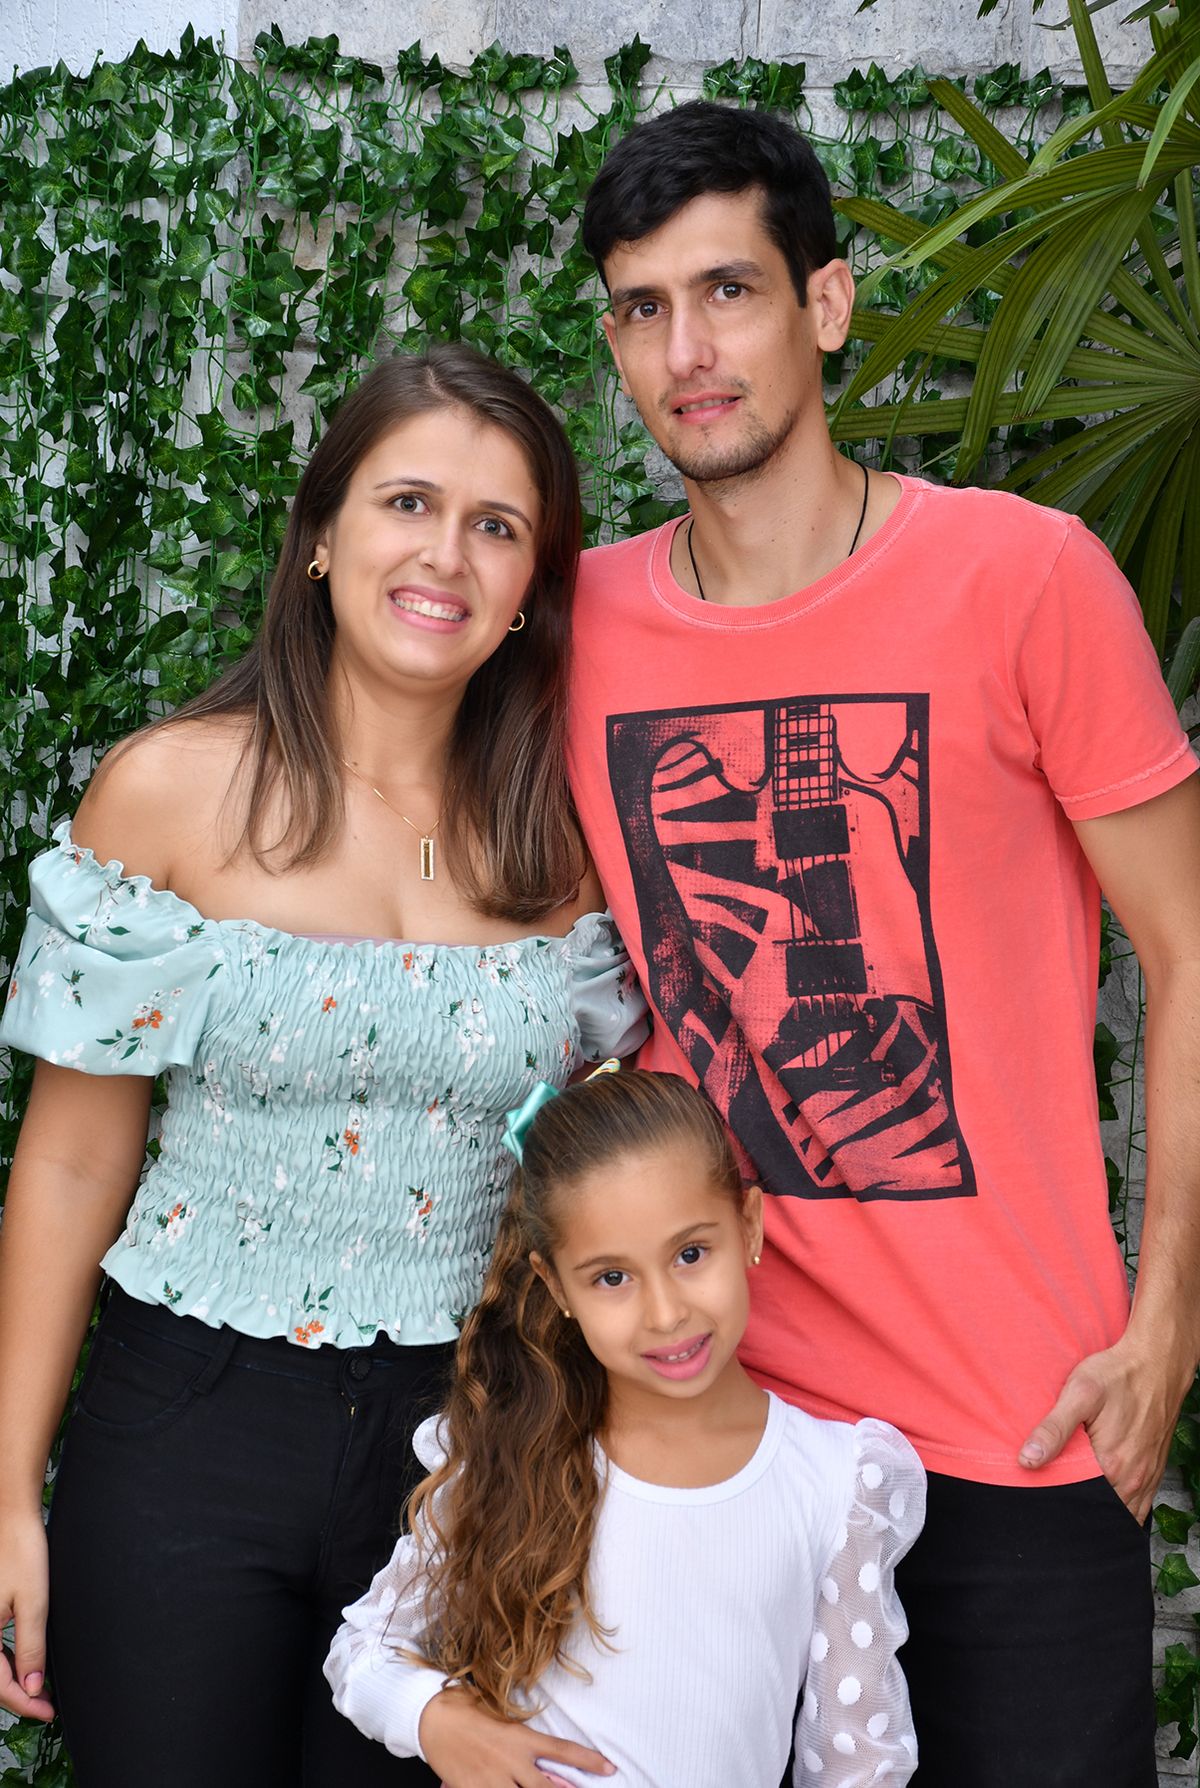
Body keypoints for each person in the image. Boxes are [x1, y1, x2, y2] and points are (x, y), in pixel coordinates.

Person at [563, 99, 1200, 1787]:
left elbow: (1190, 943)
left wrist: (1170, 1320)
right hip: (711, 1439)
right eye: (642, 309)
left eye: (730, 291)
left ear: (827, 303)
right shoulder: (576, 627)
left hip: (1015, 1427)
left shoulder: (1026, 578)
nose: (688, 353)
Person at [0, 344, 648, 1788]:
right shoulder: (170, 790)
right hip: (185, 1431)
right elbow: (72, 1158)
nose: (445, 555)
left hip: (465, 1453)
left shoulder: (563, 842)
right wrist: (6, 1499)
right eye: (408, 503)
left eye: (496, 525)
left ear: (532, 586)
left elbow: (602, 1176)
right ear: (320, 536)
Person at [326, 1066, 925, 1788]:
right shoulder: (513, 1453)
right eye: (613, 1277)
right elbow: (363, 1652)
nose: (666, 1313)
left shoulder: (836, 1480)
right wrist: (436, 1719)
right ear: (557, 1286)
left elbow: (860, 1764)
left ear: (750, 1226)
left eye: (690, 1254)